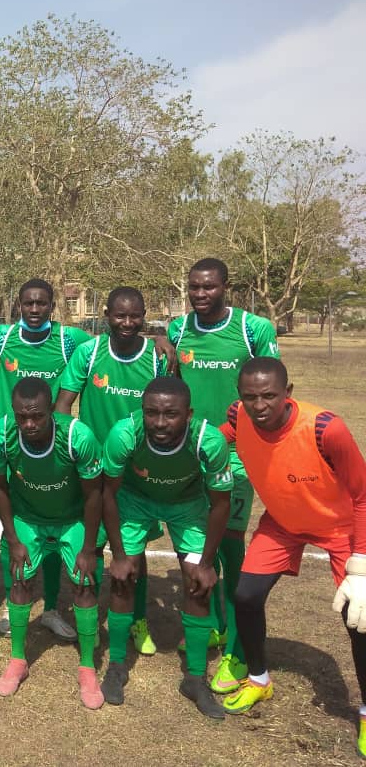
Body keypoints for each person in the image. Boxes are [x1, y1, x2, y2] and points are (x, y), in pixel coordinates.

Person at [216, 359, 366, 758]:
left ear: (289, 391)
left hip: (341, 529)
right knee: (246, 596)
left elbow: (364, 495)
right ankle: (259, 679)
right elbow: (216, 440)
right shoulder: (239, 416)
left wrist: (362, 564)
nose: (259, 405)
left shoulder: (325, 429)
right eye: (250, 397)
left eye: (269, 395)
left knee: (359, 620)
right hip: (283, 523)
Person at [169, 257, 281, 693]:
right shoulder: (178, 331)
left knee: (231, 548)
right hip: (192, 451)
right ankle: (214, 625)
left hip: (238, 456)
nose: (201, 294)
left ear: (225, 287)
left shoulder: (254, 330)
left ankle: (237, 650)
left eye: (209, 287)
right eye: (194, 287)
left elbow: (272, 389)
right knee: (202, 543)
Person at [100, 377, 232, 719]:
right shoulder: (124, 435)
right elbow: (108, 494)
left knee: (197, 582)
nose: (159, 422)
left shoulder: (208, 440)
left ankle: (195, 678)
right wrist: (117, 555)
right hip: (134, 500)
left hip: (187, 505)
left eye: (170, 414)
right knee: (122, 578)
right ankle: (116, 665)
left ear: (188, 414)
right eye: (151, 413)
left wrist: (206, 563)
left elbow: (219, 505)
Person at [55, 286, 168, 654]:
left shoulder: (156, 357)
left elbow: (171, 408)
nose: (127, 322)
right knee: (88, 544)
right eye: (120, 315)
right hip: (91, 470)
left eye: (135, 315)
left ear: (144, 315)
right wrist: (65, 452)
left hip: (136, 474)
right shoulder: (89, 353)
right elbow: (62, 407)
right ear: (106, 315)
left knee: (133, 552)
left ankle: (137, 619)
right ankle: (85, 616)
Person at [0, 280, 92, 639]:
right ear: (18, 304)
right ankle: (13, 603)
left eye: (41, 303)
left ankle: (50, 609)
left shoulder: (69, 340)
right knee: (13, 525)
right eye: (28, 303)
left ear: (51, 305)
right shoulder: (1, 337)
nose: (34, 309)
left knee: (52, 523)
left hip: (50, 443)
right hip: (11, 445)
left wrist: (157, 339)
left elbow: (107, 347)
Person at [0, 377, 104, 707]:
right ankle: (18, 660)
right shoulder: (1, 436)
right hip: (27, 518)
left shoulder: (78, 435)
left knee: (84, 584)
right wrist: (12, 539)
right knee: (21, 580)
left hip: (74, 520)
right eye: (22, 416)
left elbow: (95, 494)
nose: (29, 423)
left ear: (53, 410)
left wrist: (89, 547)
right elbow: (0, 487)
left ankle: (87, 666)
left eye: (37, 416)